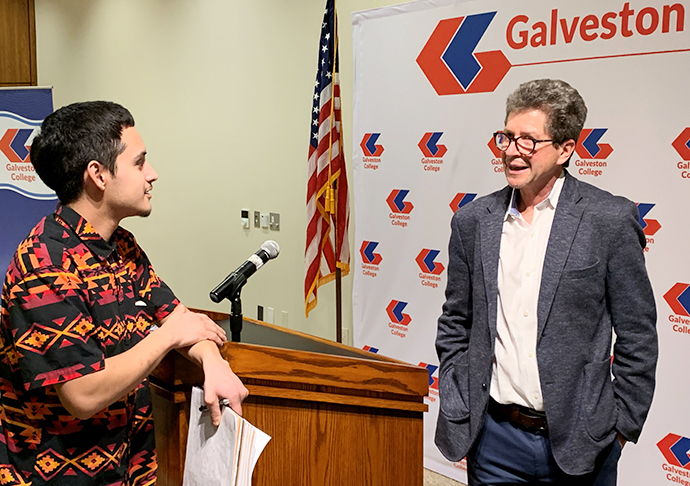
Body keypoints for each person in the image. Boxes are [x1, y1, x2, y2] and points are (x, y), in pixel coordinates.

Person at [0, 101, 249, 485]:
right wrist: (168, 338)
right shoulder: (44, 264)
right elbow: (83, 395)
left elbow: (179, 318)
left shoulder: (123, 247)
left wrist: (214, 364)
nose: (152, 175)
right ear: (98, 175)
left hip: (129, 468)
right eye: (139, 162)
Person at [435, 79, 657, 485]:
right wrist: (457, 393)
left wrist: (620, 426)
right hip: (493, 441)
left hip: (582, 443)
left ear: (565, 149)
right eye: (507, 137)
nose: (511, 151)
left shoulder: (608, 219)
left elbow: (637, 332)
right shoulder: (472, 222)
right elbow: (456, 321)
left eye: (528, 141)